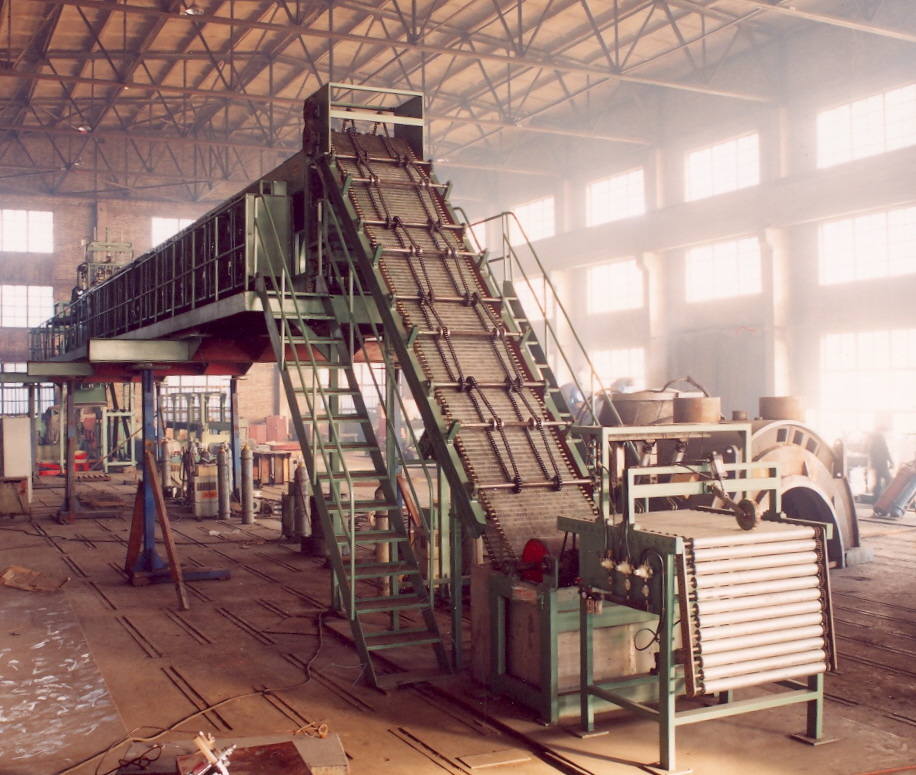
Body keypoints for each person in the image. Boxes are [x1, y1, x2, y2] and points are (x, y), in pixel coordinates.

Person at [868, 424, 893, 499]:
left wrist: (873, 463)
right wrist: (891, 461)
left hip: (877, 463)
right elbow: (885, 451)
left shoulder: (874, 439)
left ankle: (876, 498)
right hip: (882, 463)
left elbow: (872, 451)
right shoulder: (880, 438)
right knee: (889, 481)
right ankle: (887, 497)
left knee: (878, 481)